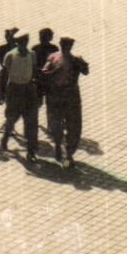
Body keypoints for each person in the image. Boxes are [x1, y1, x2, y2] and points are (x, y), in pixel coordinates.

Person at [40, 36, 88, 168]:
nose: (67, 47)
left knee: (74, 126)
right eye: (64, 44)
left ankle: (69, 154)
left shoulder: (75, 60)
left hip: (72, 96)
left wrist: (83, 64)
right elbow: (44, 72)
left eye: (69, 45)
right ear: (60, 44)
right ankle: (57, 146)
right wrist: (53, 71)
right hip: (57, 94)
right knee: (56, 123)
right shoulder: (54, 57)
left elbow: (86, 71)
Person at [0, 32, 39, 158]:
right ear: (17, 42)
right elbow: (4, 75)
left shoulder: (32, 54)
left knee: (31, 121)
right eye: (21, 41)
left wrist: (36, 90)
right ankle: (6, 136)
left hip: (28, 89)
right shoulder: (10, 55)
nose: (23, 44)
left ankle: (31, 151)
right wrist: (1, 93)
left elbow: (34, 72)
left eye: (25, 41)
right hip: (14, 89)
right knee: (12, 117)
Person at [0, 27, 19, 105]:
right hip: (5, 74)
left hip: (16, 75)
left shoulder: (19, 49)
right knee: (3, 99)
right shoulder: (1, 49)